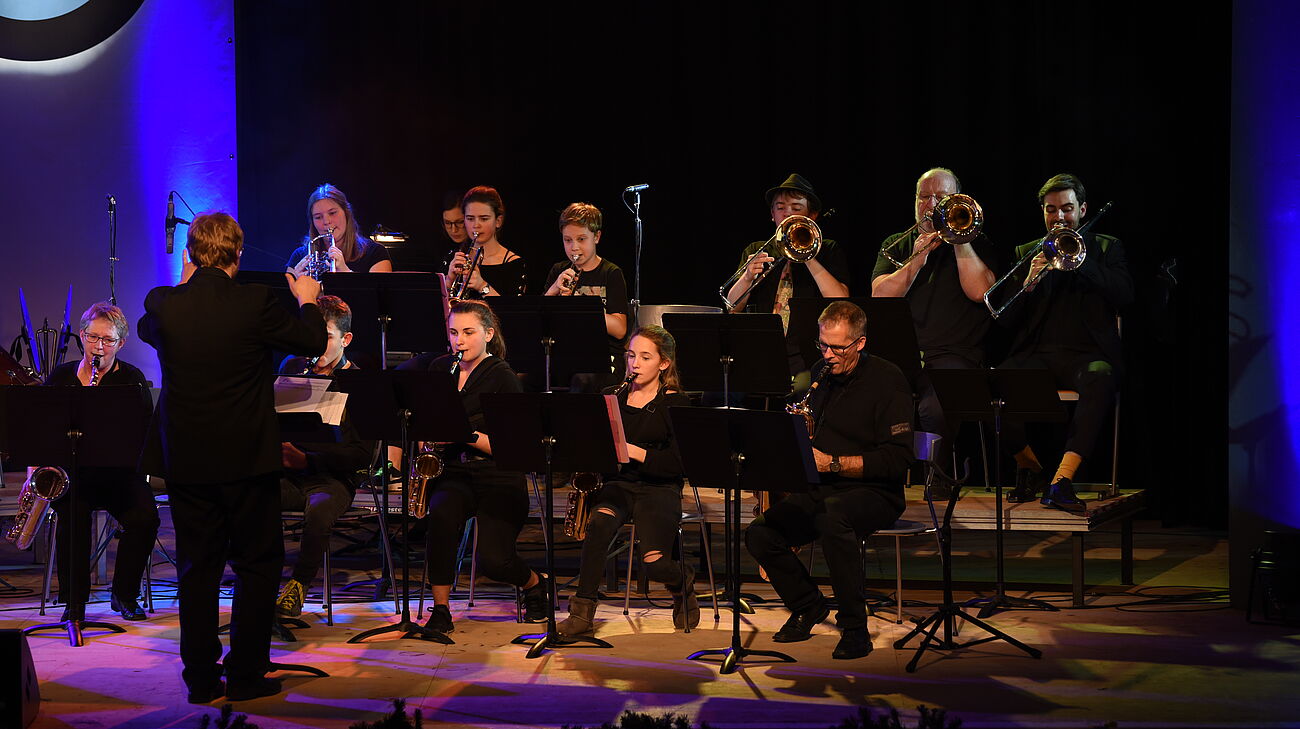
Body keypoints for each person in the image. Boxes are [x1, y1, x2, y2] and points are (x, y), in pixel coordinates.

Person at [139, 212, 326, 703]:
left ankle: (200, 680)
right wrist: (307, 300)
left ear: (189, 255)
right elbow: (311, 341)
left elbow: (147, 326)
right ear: (238, 255)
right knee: (257, 565)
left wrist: (184, 285)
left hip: (187, 463)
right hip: (246, 461)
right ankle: (244, 675)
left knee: (196, 570)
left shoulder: (163, 304)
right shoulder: (255, 302)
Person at [744, 301, 914, 660]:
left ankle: (854, 627)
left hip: (876, 492)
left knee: (832, 517)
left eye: (838, 347)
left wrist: (833, 463)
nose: (829, 355)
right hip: (824, 489)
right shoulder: (820, 374)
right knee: (761, 532)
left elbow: (898, 460)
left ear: (860, 343)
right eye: (823, 345)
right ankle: (808, 605)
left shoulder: (889, 380)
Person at [396, 299, 548, 633]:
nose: (459, 341)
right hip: (453, 473)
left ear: (488, 334)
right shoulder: (440, 369)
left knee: (495, 561)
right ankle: (441, 609)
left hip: (498, 475)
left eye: (468, 332)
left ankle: (536, 583)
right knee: (441, 520)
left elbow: (512, 445)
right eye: (453, 333)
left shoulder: (502, 376)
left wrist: (463, 434)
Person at [999, 174, 1132, 511]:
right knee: (994, 384)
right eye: (1051, 210)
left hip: (1087, 356)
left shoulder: (1105, 247)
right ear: (1043, 212)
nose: (1059, 217)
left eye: (1067, 209)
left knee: (1102, 378)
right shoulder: (1026, 252)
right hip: (1037, 356)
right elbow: (1005, 320)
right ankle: (1031, 467)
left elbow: (1125, 296)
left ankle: (1061, 480)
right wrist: (1027, 283)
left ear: (1082, 210)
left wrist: (1082, 263)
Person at [554, 326, 695, 640]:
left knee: (656, 565)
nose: (635, 363)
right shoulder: (611, 396)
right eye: (631, 355)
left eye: (645, 357)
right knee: (598, 526)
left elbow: (678, 465)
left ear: (663, 364)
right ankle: (581, 613)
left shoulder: (676, 403)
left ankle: (682, 582)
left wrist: (634, 452)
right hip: (620, 485)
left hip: (659, 488)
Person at [871, 168, 998, 469]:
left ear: (957, 201)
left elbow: (981, 292)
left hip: (954, 355)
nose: (931, 205)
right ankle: (877, 475)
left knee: (936, 409)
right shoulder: (897, 244)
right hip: (902, 357)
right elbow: (879, 297)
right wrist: (915, 261)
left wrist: (959, 237)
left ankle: (935, 478)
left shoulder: (977, 242)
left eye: (941, 198)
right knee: (866, 397)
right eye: (924, 197)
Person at [43, 302, 159, 623]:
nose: (98, 347)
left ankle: (124, 594)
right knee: (73, 519)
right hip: (74, 475)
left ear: (121, 344)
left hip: (119, 475)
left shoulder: (132, 380)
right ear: (82, 336)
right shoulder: (62, 377)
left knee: (145, 518)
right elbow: (41, 429)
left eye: (108, 340)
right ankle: (75, 602)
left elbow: (146, 435)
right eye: (93, 338)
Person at [273, 295, 374, 618]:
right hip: (289, 472)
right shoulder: (292, 366)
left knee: (318, 513)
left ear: (346, 340)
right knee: (246, 498)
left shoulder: (360, 383)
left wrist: (310, 460)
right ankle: (260, 583)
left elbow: (360, 455)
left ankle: (297, 588)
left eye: (325, 337)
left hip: (332, 479)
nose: (315, 344)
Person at [725, 173, 850, 378]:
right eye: (780, 207)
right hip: (760, 349)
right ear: (772, 214)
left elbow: (840, 299)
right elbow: (732, 308)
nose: (787, 214)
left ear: (812, 215)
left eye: (796, 208)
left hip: (808, 354)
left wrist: (807, 255)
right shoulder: (757, 249)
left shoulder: (828, 250)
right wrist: (747, 277)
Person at [543, 202, 630, 390]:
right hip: (566, 351)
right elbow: (540, 322)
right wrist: (553, 291)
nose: (574, 248)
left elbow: (620, 329)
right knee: (524, 377)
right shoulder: (559, 270)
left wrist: (579, 306)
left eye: (581, 239)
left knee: (582, 380)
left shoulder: (611, 273)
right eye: (567, 240)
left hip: (603, 356)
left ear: (596, 237)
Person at [286, 184, 394, 276]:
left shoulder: (375, 253)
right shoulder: (299, 256)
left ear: (347, 213)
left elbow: (375, 299)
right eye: (318, 217)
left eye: (332, 213)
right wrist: (296, 286)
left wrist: (345, 271)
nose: (326, 221)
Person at [445, 186, 526, 297]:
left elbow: (514, 312)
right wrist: (449, 280)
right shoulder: (453, 258)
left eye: (484, 218)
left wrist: (482, 286)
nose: (476, 225)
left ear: (498, 221)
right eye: (470, 218)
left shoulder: (514, 264)